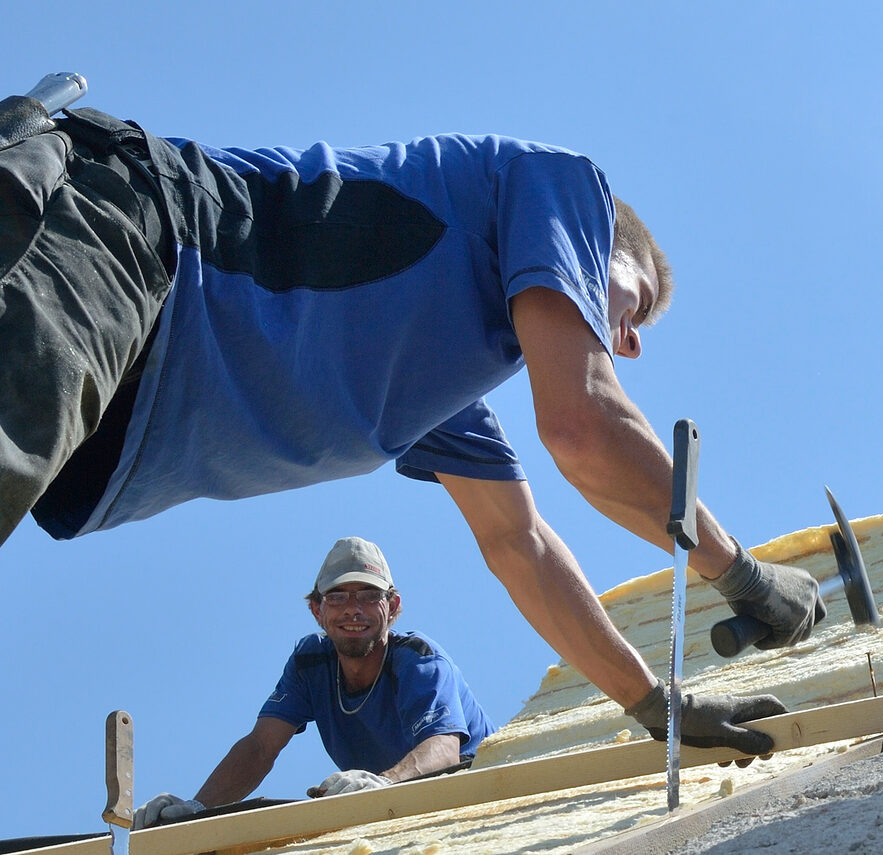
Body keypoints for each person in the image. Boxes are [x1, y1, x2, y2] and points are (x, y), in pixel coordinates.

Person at [0, 105, 822, 750]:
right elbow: (584, 426)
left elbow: (521, 547)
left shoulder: (434, 389)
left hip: (121, 371)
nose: (631, 341)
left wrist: (655, 704)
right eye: (635, 302)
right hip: (114, 237)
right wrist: (743, 575)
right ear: (596, 241)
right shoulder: (562, 182)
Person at [133, 537, 496, 828]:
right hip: (398, 813)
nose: (353, 609)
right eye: (338, 597)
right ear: (317, 611)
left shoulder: (418, 658)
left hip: (481, 800)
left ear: (394, 605)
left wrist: (384, 784)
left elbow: (445, 749)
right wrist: (197, 809)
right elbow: (261, 746)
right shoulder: (310, 663)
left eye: (370, 596)